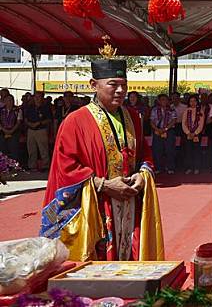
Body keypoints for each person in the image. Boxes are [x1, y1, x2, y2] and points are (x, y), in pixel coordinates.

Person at [40, 46, 163, 261]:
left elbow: (144, 153)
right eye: (113, 85)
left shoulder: (133, 117)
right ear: (93, 85)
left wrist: (142, 175)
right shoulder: (76, 121)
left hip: (130, 202)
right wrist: (103, 185)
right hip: (97, 206)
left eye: (124, 85)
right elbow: (65, 166)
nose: (120, 91)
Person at [23, 91, 52, 171]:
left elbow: (49, 120)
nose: (37, 99)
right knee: (31, 149)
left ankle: (46, 165)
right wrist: (29, 124)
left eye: (39, 97)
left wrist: (39, 123)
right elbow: (25, 118)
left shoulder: (46, 107)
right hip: (31, 130)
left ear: (42, 98)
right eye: (35, 97)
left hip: (41, 130)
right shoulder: (30, 107)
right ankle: (32, 166)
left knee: (43, 149)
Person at [150, 94, 177, 174]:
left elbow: (174, 120)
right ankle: (158, 168)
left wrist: (166, 129)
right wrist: (157, 129)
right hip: (157, 131)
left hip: (169, 131)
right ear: (158, 101)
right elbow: (151, 121)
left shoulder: (171, 110)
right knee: (157, 150)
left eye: (165, 99)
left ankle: (170, 167)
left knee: (170, 150)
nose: (163, 101)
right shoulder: (155, 110)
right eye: (162, 99)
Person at [182, 94, 205, 174]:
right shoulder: (186, 110)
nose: (193, 103)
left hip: (197, 134)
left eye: (194, 101)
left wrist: (195, 133)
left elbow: (201, 123)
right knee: (188, 151)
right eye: (191, 101)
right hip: (188, 134)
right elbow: (183, 123)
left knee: (196, 151)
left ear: (197, 102)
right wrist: (188, 133)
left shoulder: (200, 111)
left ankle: (196, 168)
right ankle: (189, 168)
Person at [0, 94, 22, 162]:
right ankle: (4, 167)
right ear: (4, 102)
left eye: (11, 100)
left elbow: (18, 122)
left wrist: (11, 131)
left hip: (14, 132)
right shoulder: (1, 110)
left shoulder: (18, 110)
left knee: (14, 150)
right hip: (2, 132)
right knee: (3, 150)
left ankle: (14, 166)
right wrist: (4, 130)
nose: (10, 102)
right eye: (8, 100)